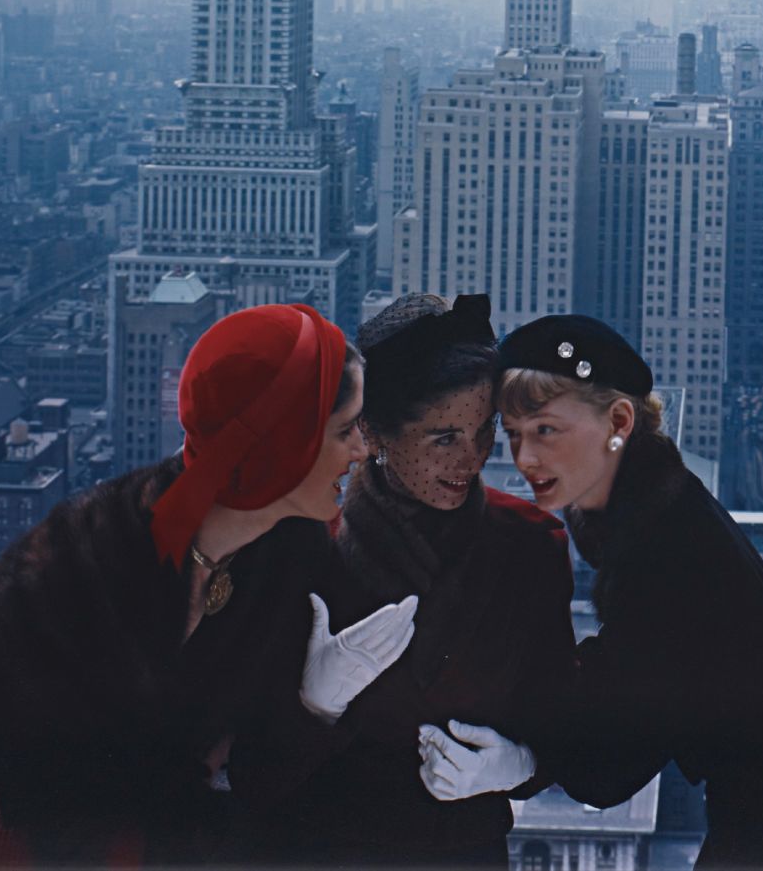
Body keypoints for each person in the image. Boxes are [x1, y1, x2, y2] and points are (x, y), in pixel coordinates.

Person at [0, 303, 419, 866]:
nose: (362, 449)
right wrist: (111, 798)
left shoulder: (289, 556)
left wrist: (317, 705)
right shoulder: (87, 561)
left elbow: (249, 763)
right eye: (344, 430)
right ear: (278, 445)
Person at [417, 314, 763, 871]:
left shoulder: (664, 554)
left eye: (546, 430)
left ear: (618, 422)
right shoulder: (663, 513)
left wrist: (522, 759)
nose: (525, 459)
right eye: (515, 435)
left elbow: (612, 765)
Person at [229, 293, 575, 868]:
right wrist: (313, 709)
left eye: (484, 431)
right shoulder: (296, 547)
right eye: (444, 438)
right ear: (373, 433)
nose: (473, 459)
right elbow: (248, 775)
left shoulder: (531, 548)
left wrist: (522, 765)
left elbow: (559, 726)